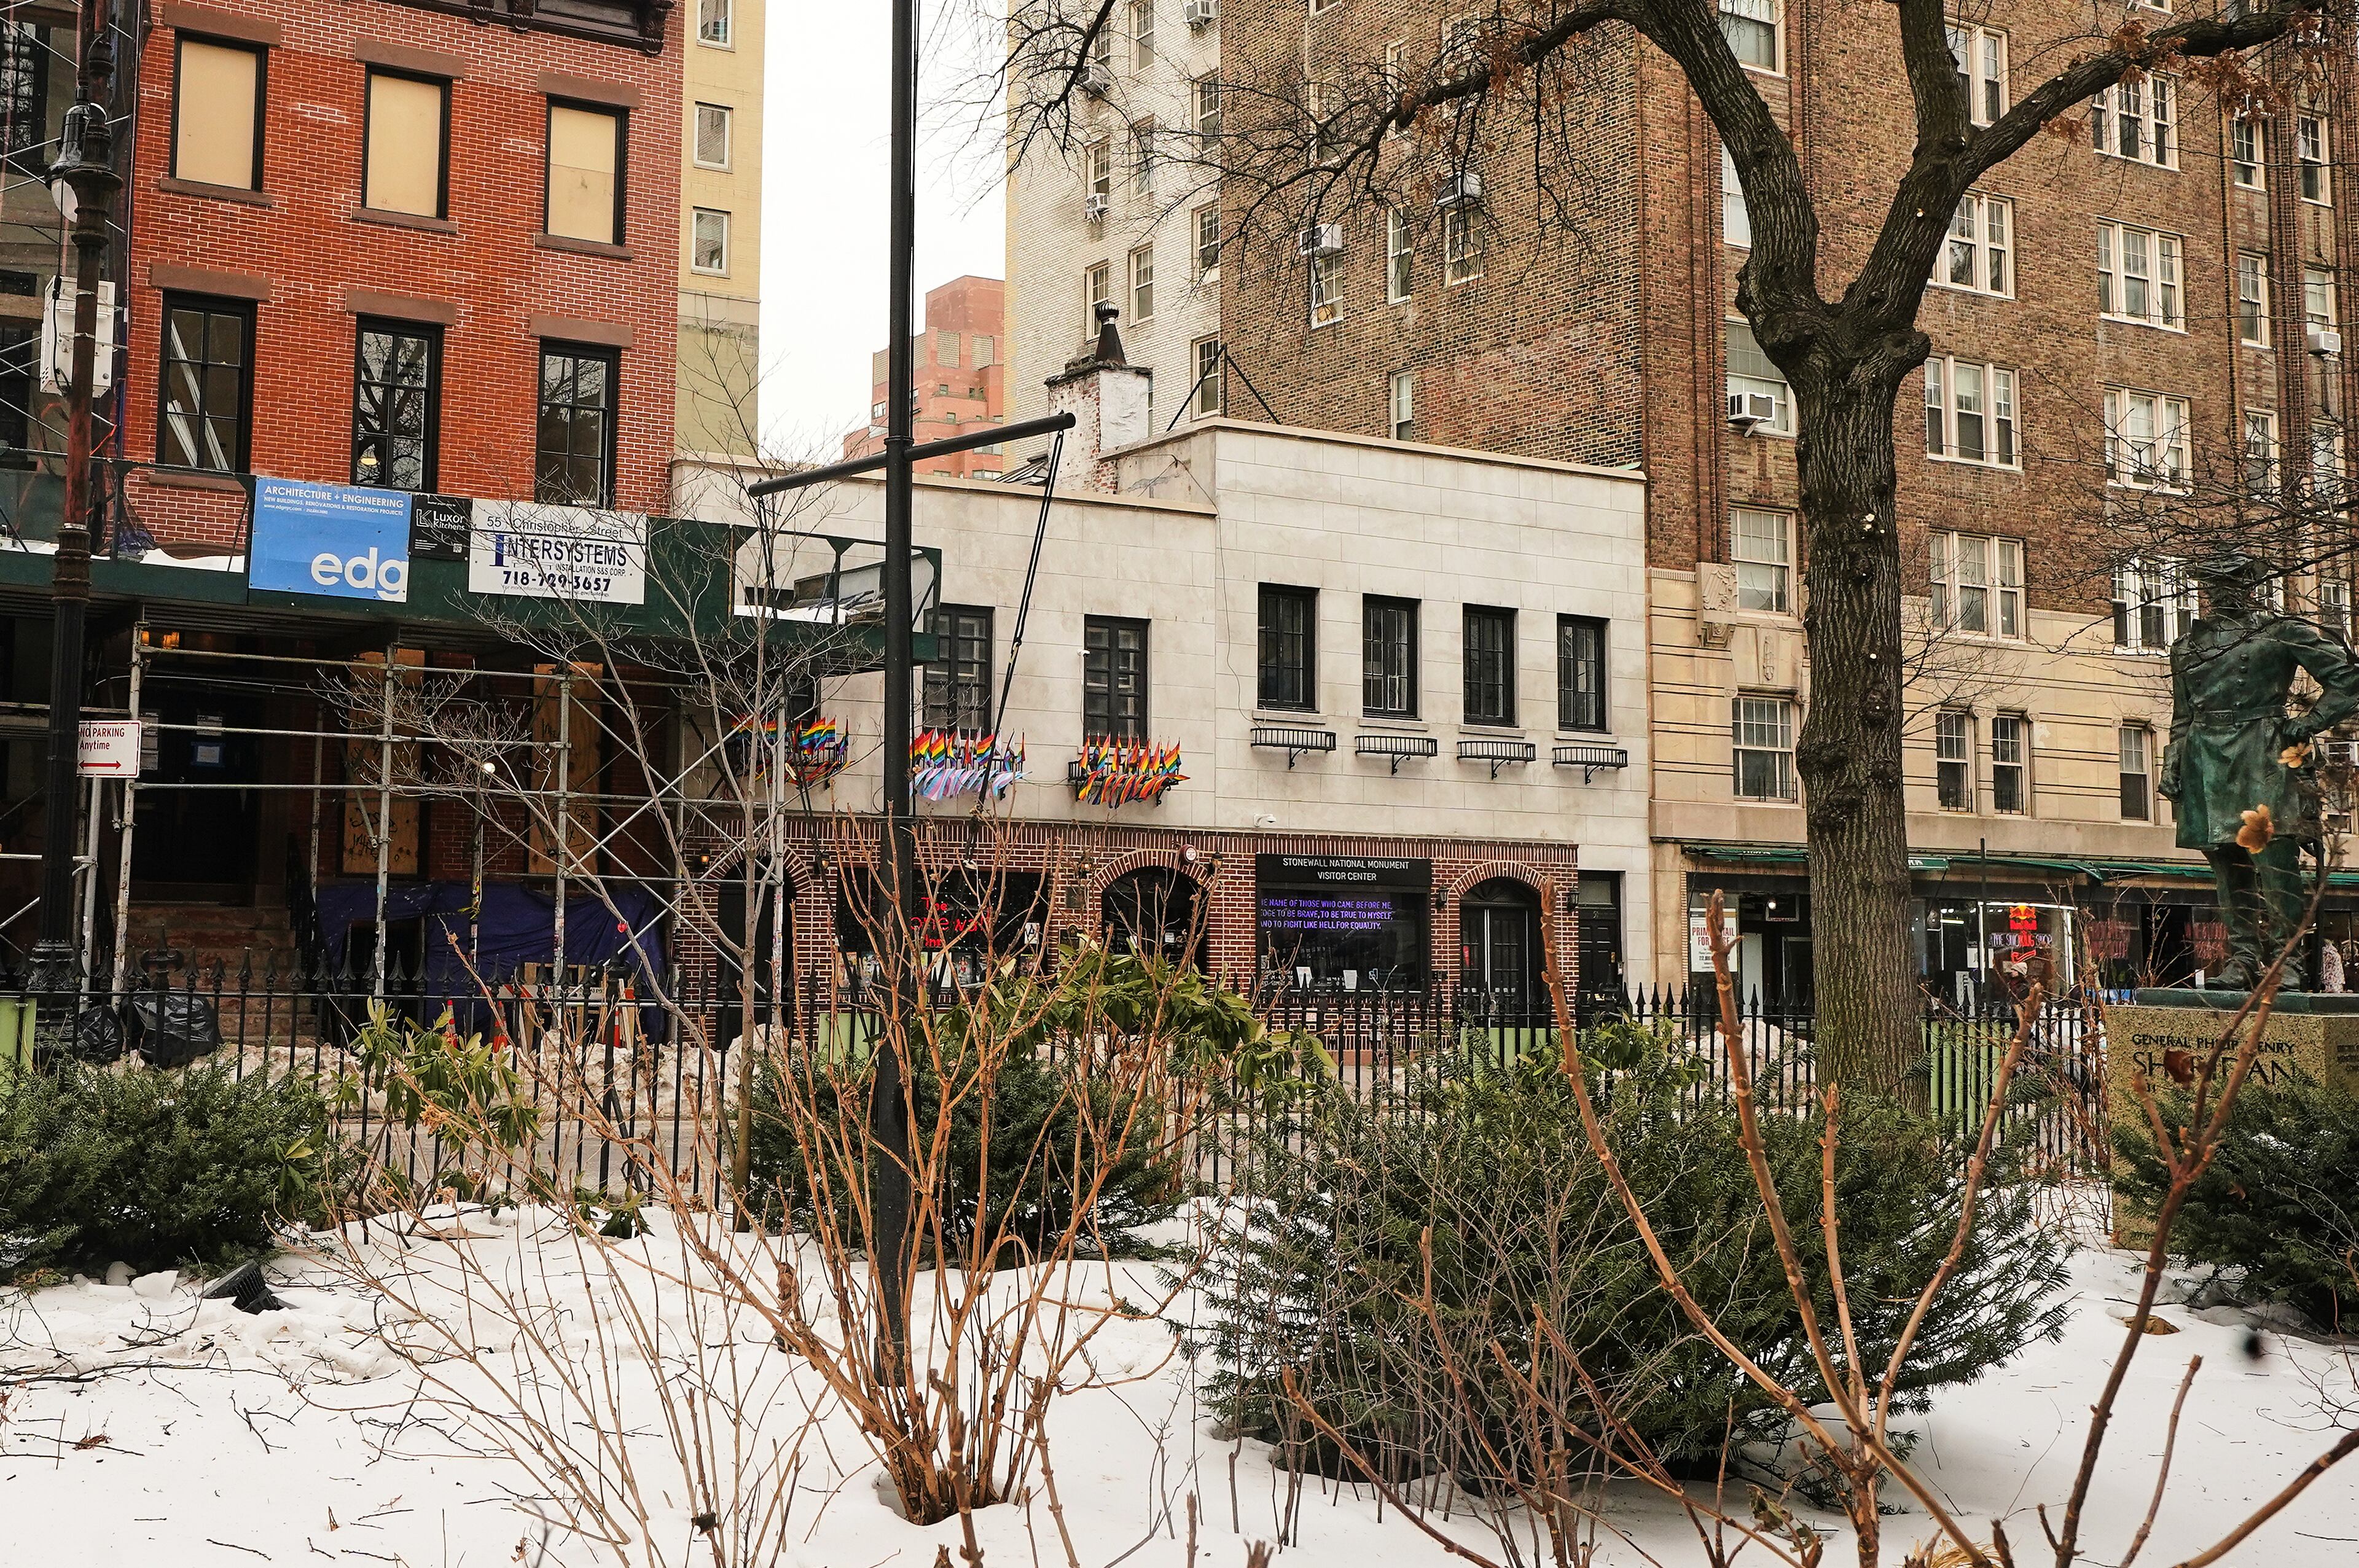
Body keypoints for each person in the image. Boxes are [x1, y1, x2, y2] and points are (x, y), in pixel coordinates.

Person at [2159, 553, 2359, 990]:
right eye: (2214, 581)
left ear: (2250, 584)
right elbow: (2182, 715)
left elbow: (2347, 678)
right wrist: (2173, 758)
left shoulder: (2280, 631)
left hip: (2263, 750)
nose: (2222, 590)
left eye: (2232, 580)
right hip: (2206, 757)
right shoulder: (2188, 646)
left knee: (2275, 861)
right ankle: (2243, 959)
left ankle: (2287, 959)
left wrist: (2308, 722)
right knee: (2227, 865)